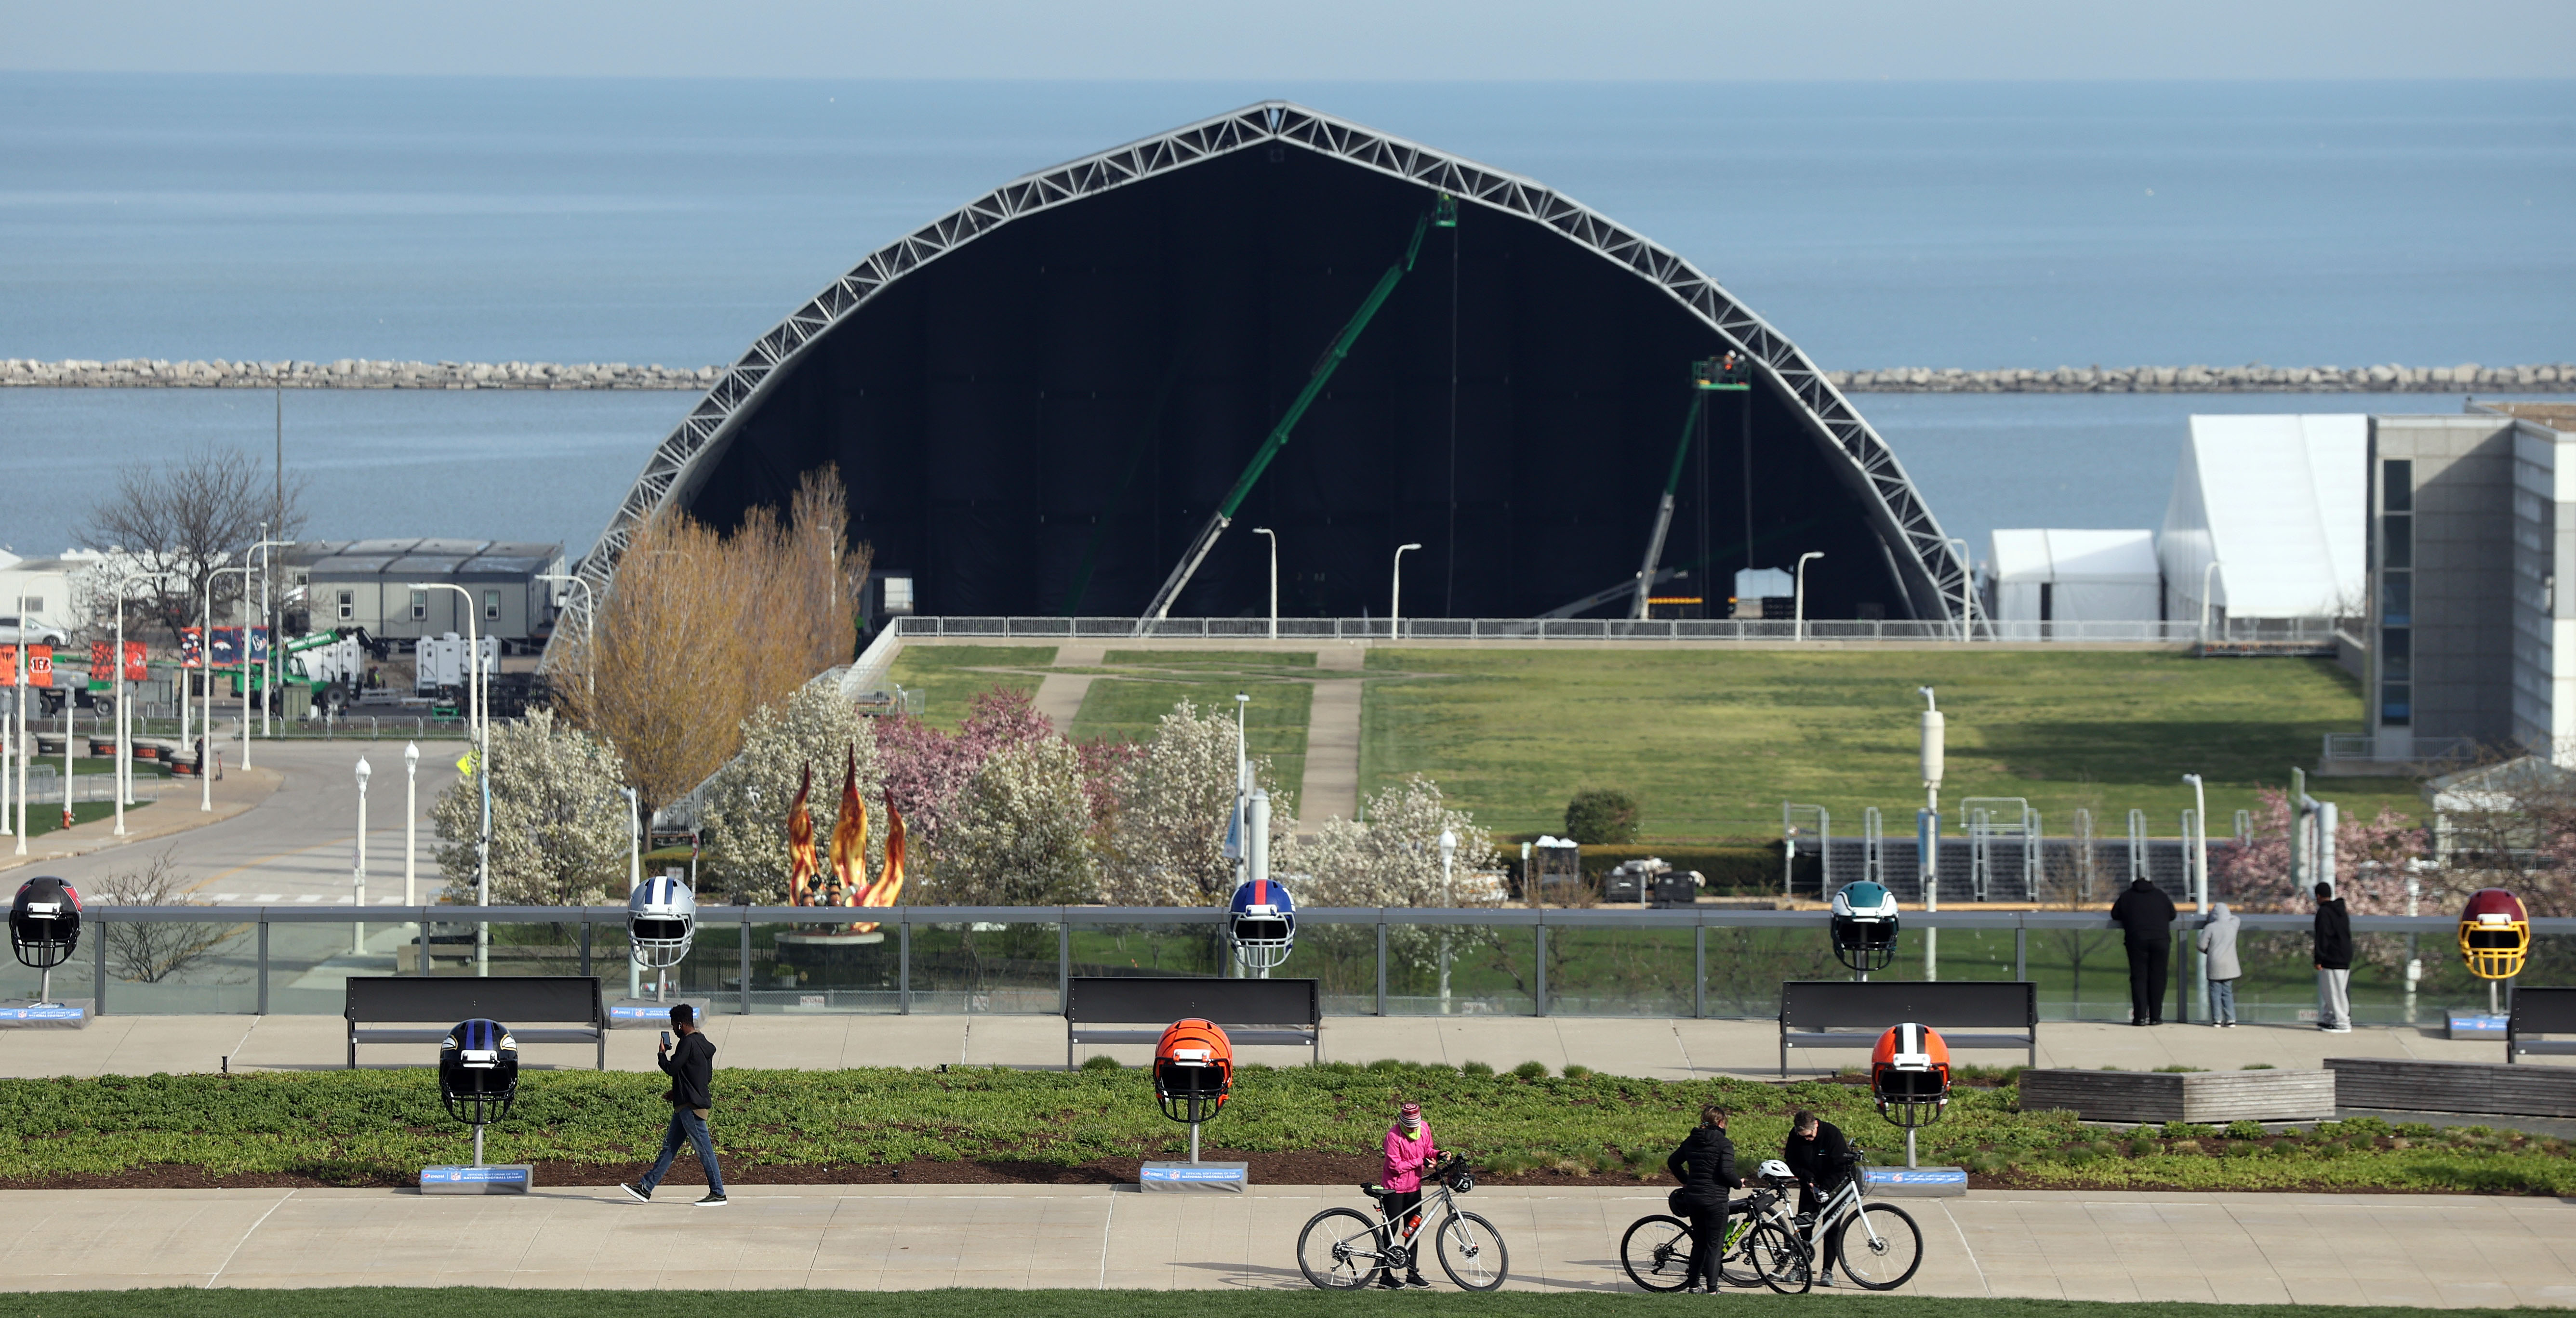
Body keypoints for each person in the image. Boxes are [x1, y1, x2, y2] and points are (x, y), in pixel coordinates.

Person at [621, 1004, 727, 1205]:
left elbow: (672, 1068)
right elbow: (704, 1076)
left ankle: (718, 1192)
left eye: (673, 1026)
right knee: (669, 1148)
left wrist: (662, 1054)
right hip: (685, 1105)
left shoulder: (686, 1044)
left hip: (691, 1107)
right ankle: (645, 1188)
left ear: (680, 1024)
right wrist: (677, 1091)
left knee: (704, 1150)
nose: (673, 1031)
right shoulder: (703, 1043)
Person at [1666, 1104, 1741, 1295]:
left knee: (1699, 1243)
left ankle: (1693, 1286)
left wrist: (1687, 1181)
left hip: (1694, 1198)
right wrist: (1738, 1183)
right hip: (1716, 1200)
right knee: (1714, 1246)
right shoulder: (1725, 1144)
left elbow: (1673, 1162)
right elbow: (1727, 1172)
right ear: (1722, 1122)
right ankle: (1713, 1289)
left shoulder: (1692, 1140)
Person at [1781, 1110, 1850, 1287]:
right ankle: (1801, 1266)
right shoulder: (1796, 1136)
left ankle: (1828, 1271)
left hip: (1833, 1187)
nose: (1807, 1140)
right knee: (1804, 1226)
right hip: (1810, 1186)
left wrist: (1827, 1189)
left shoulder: (1832, 1134)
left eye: (1810, 1136)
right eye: (1803, 1137)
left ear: (1816, 1125)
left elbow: (1840, 1167)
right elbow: (1792, 1161)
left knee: (1832, 1229)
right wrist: (1809, 1180)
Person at [1376, 1101, 1438, 1290]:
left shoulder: (1424, 1128)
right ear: (1402, 1122)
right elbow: (1395, 1166)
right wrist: (1421, 1162)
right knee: (1392, 1229)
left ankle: (1412, 1273)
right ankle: (1385, 1276)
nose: (1413, 1130)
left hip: (1414, 1188)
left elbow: (1428, 1149)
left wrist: (1438, 1154)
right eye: (1409, 1127)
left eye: (1415, 1126)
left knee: (1412, 1230)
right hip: (1394, 1189)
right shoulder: (1393, 1136)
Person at [2110, 874, 2177, 1026]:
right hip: (2161, 940)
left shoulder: (2127, 896)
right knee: (2158, 978)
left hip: (2137, 940)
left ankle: (2140, 1017)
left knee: (2139, 977)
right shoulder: (2161, 895)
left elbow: (2115, 914)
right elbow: (2173, 915)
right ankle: (2155, 1017)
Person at [2313, 883, 2354, 1033]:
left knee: (2334, 992)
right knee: (2337, 990)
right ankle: (2330, 1018)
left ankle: (2342, 1022)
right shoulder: (2341, 911)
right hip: (2344, 955)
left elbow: (2322, 937)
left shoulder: (2324, 913)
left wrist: (2319, 958)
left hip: (2332, 957)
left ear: (2318, 896)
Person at [2199, 901, 2242, 1028]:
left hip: (2215, 963)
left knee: (2215, 992)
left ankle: (2217, 1019)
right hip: (2230, 964)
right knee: (2227, 992)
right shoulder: (2233, 925)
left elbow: (2201, 945)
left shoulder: (2210, 928)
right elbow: (2236, 918)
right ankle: (2231, 1019)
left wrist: (2210, 918)